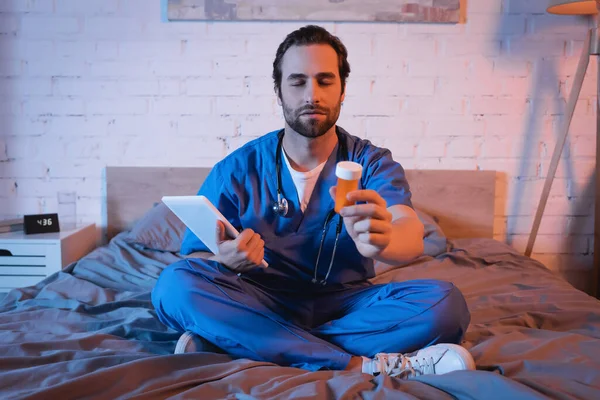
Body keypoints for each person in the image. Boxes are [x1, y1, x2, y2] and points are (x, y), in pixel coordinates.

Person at [151, 25, 475, 378]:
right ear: (278, 91)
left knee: (447, 305)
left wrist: (384, 241)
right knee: (174, 284)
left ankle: (241, 340)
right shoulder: (236, 169)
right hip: (259, 297)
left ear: (342, 90)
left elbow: (408, 232)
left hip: (347, 304)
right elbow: (197, 256)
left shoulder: (372, 162)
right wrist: (226, 260)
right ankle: (357, 364)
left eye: (324, 81)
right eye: (297, 81)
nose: (312, 94)